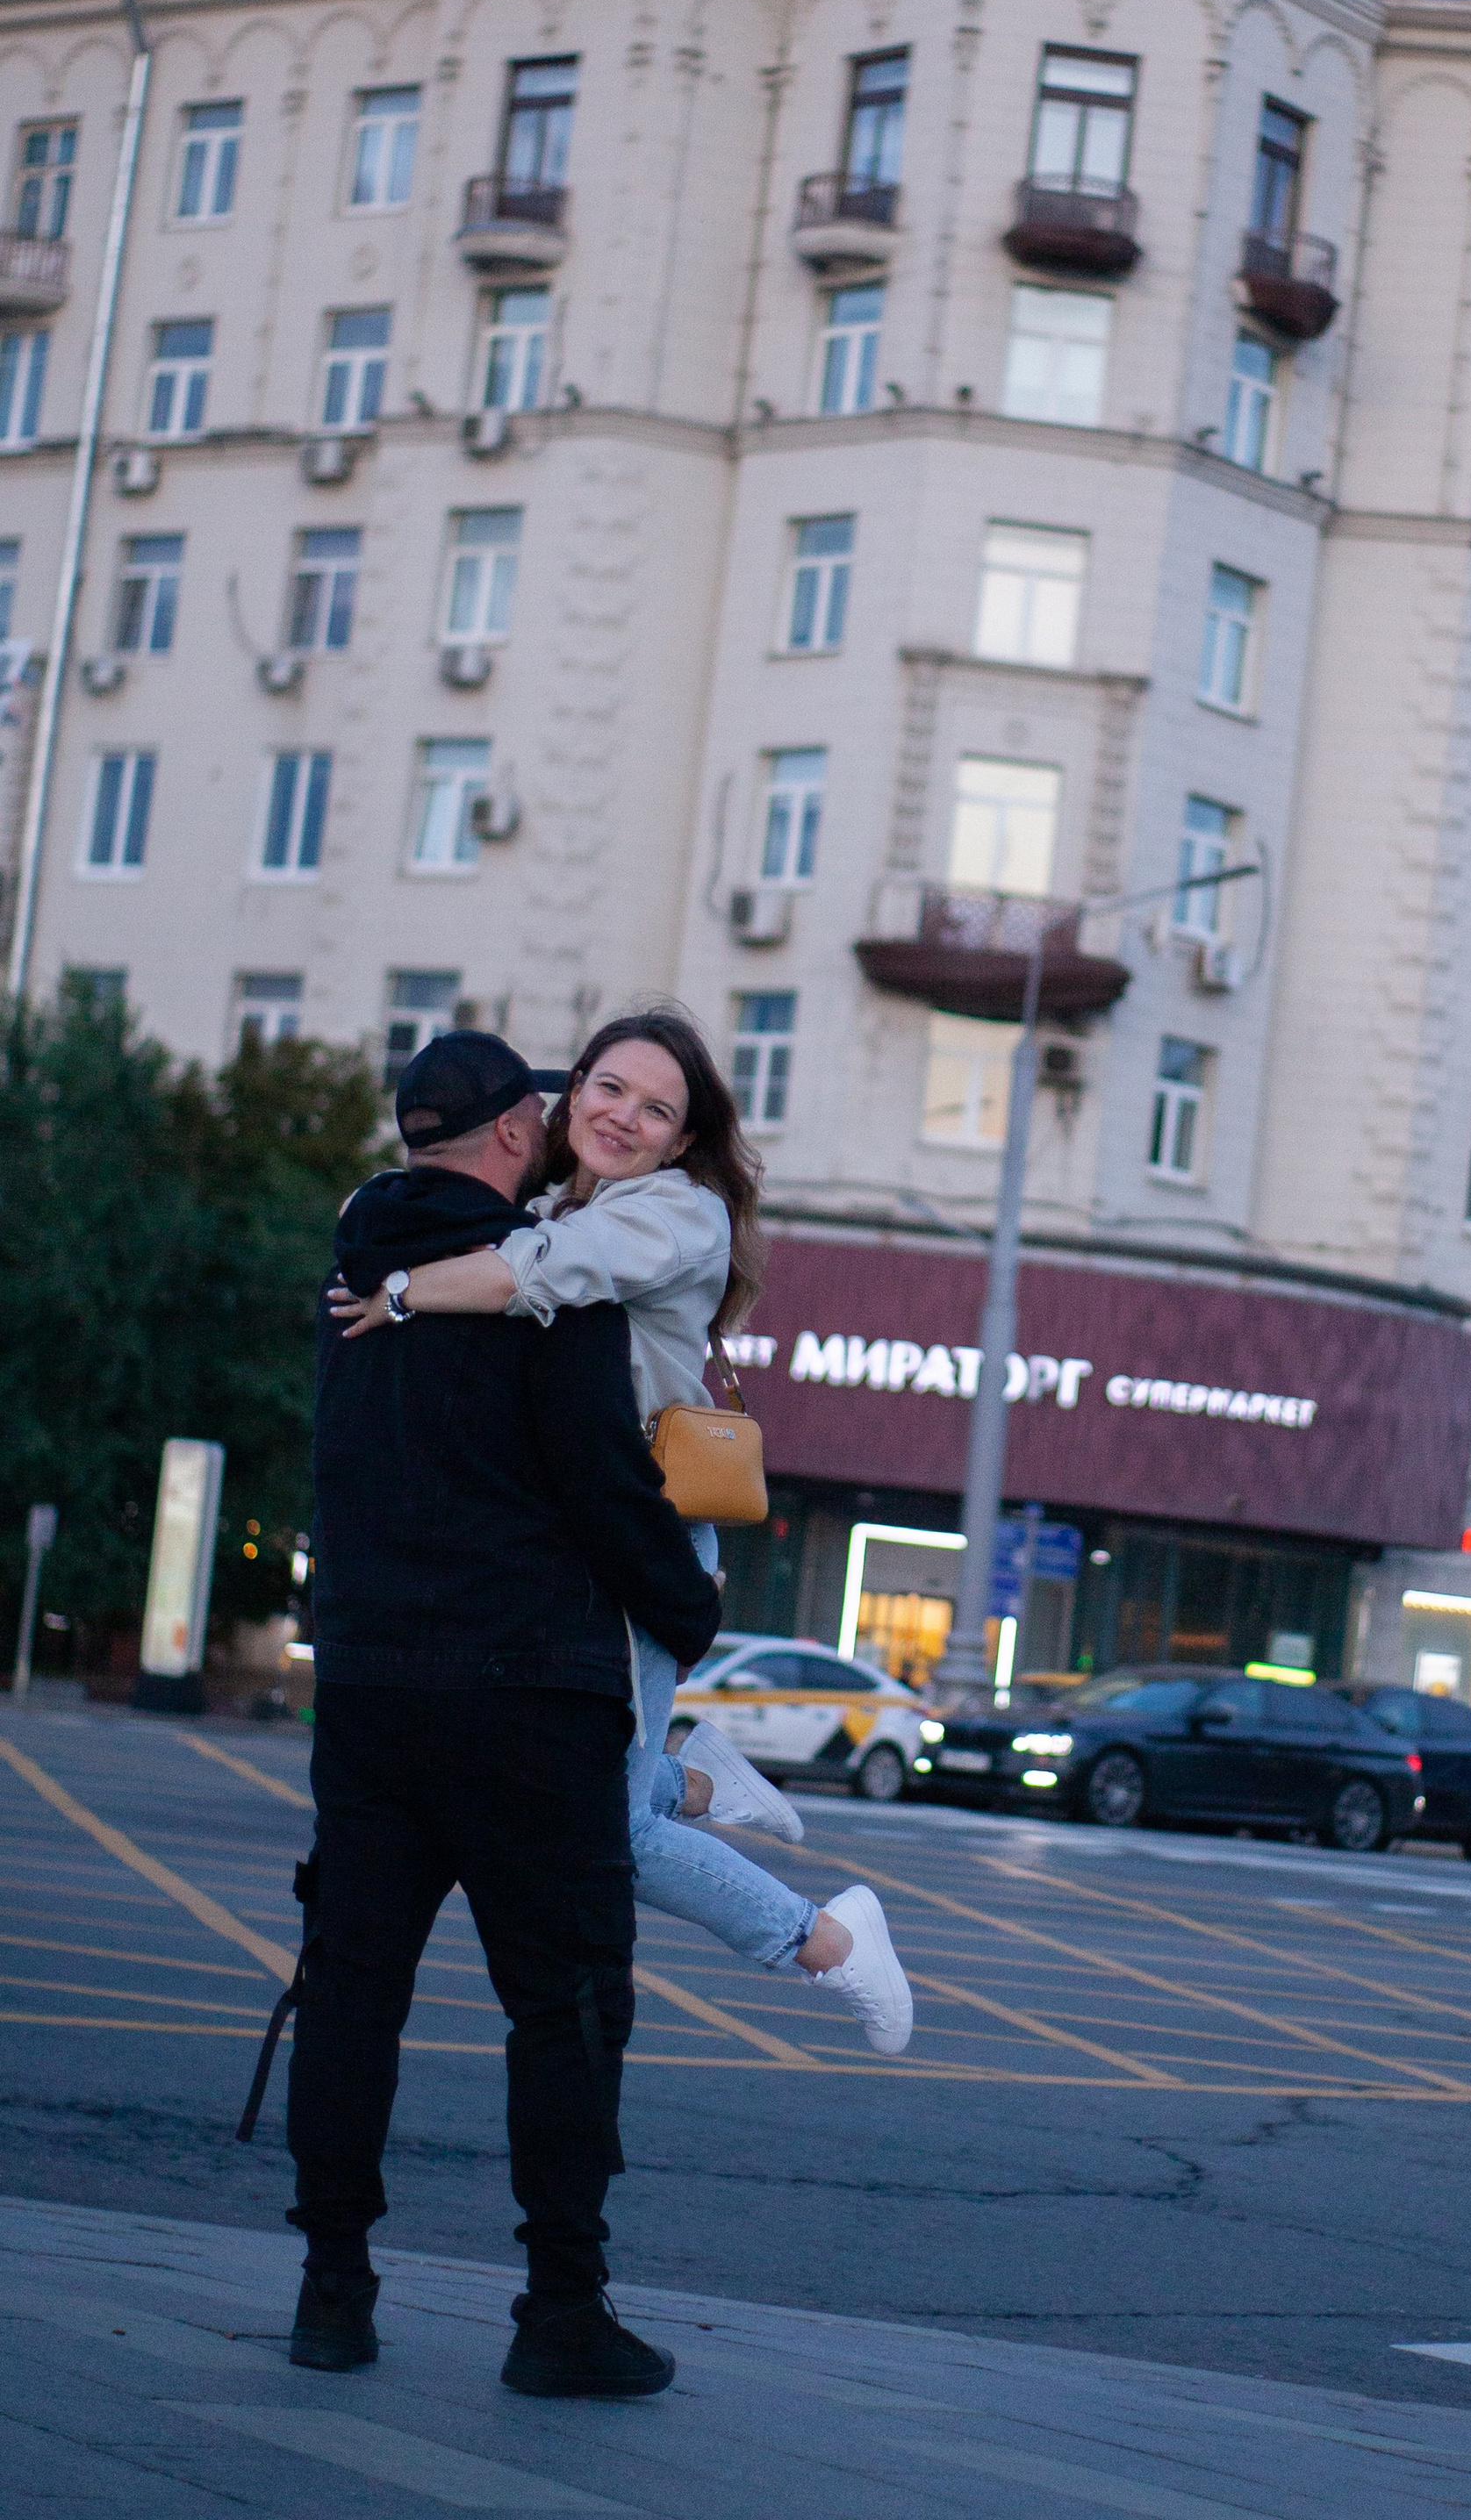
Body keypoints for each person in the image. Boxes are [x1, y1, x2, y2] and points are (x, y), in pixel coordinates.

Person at [330, 1006, 910, 2058]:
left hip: (644, 1532)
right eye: (607, 1089)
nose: (625, 1119)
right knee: (551, 1760)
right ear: (570, 1092)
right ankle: (697, 1780)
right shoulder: (558, 1200)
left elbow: (528, 1273)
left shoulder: (674, 1215)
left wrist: (402, 1287)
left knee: (598, 1828)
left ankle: (830, 1942)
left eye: (657, 1109)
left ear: (684, 1141)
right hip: (569, 1538)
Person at [289, 1031, 722, 2398]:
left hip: (365, 1686)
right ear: (520, 1126)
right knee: (569, 2008)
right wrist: (691, 1613)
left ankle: (333, 2291)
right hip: (528, 1689)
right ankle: (561, 2313)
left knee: (353, 1999)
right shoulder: (552, 1289)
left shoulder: (355, 1283)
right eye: (580, 1099)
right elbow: (601, 1485)